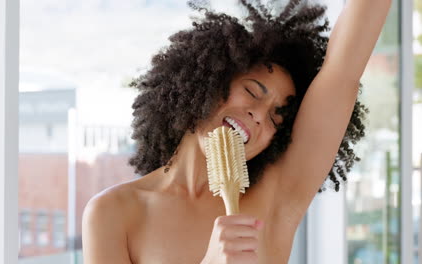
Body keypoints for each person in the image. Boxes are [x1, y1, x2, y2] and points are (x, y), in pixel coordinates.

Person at [82, 0, 392, 263]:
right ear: (207, 83)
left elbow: (343, 71)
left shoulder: (276, 198)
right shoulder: (112, 213)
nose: (259, 116)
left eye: (277, 117)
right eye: (253, 91)